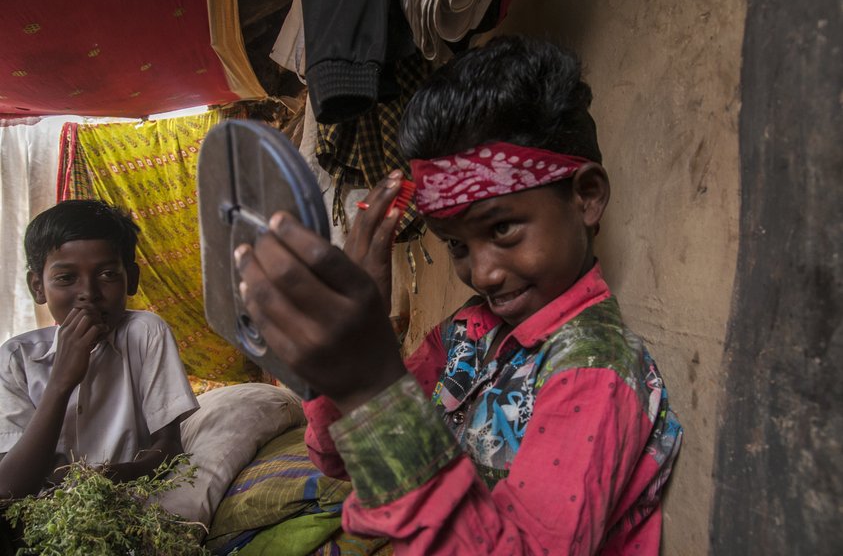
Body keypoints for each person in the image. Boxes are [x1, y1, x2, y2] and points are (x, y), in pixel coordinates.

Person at [235, 35, 683, 554]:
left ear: (586, 197)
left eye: (503, 230)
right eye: (456, 245)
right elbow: (338, 457)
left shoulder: (596, 370)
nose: (485, 274)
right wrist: (348, 360)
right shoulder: (470, 333)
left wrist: (371, 384)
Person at [0, 200, 198, 500]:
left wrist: (109, 477)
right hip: (40, 521)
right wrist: (61, 382)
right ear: (38, 287)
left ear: (131, 279)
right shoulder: (16, 358)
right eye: (66, 278)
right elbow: (9, 489)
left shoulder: (145, 333)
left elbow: (169, 446)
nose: (88, 294)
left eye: (107, 275)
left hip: (128, 504)